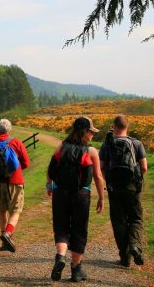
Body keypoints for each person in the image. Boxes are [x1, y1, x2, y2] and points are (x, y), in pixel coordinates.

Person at [46, 116, 105, 282]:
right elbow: (98, 176)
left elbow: (50, 171)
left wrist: (49, 187)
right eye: (91, 132)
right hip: (81, 195)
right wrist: (102, 197)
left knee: (61, 227)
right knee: (79, 230)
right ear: (84, 132)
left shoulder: (61, 147)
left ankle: (60, 256)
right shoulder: (91, 151)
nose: (93, 134)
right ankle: (76, 270)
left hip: (60, 194)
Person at [99, 114, 147, 267]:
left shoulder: (107, 144)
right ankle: (135, 245)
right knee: (136, 218)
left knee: (118, 222)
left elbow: (100, 167)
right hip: (132, 188)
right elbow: (144, 167)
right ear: (128, 127)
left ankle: (125, 258)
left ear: (114, 126)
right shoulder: (136, 143)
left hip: (114, 188)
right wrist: (137, 180)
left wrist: (108, 181)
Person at [0, 119, 30, 252]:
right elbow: (26, 163)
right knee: (16, 210)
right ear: (10, 131)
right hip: (14, 182)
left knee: (1, 211)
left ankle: (4, 242)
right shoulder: (16, 142)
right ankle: (8, 233)